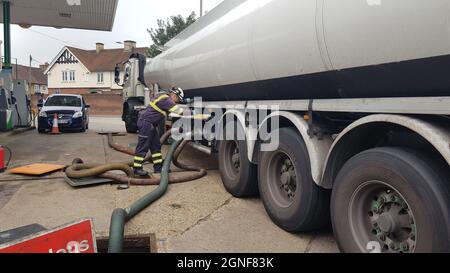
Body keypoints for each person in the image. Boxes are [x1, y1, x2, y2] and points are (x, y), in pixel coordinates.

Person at [133, 87, 185, 177]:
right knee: (143, 146)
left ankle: (158, 167)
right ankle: (137, 169)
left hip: (151, 125)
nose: (177, 102)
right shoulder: (166, 99)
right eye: (178, 99)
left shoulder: (164, 99)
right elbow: (179, 111)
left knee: (156, 146)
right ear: (174, 95)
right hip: (146, 123)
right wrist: (193, 112)